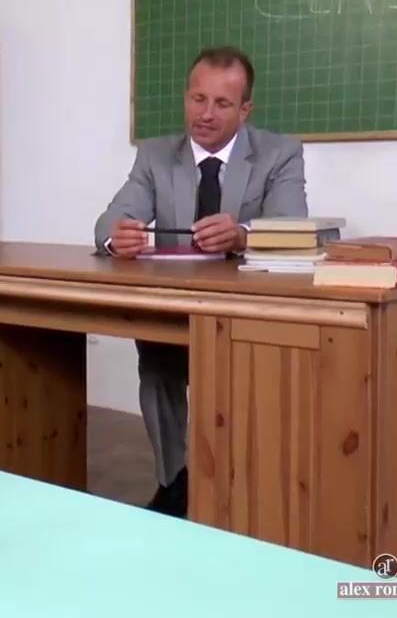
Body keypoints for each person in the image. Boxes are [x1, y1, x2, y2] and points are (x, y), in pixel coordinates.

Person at [92, 45, 307, 518]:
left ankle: (241, 486)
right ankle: (174, 482)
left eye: (222, 103)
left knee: (246, 387)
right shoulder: (155, 156)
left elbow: (293, 228)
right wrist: (115, 237)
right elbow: (109, 220)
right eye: (197, 99)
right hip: (174, 306)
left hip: (246, 310)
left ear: (245, 110)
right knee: (157, 366)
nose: (205, 114)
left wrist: (242, 235)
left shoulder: (279, 154)